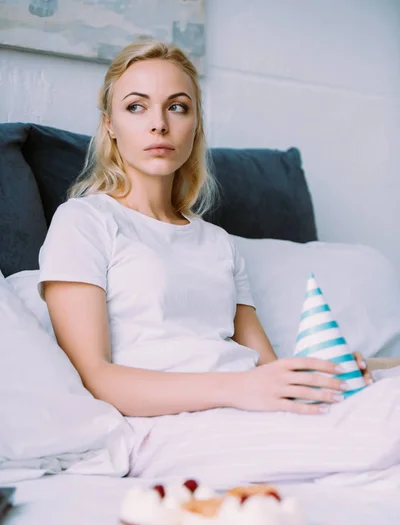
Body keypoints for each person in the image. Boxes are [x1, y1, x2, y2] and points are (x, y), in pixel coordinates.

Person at [38, 40, 372, 419]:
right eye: (136, 106)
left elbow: (264, 368)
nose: (159, 124)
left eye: (177, 107)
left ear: (195, 126)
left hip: (251, 408)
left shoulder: (218, 242)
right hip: (174, 422)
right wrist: (238, 388)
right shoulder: (84, 221)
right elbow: (94, 379)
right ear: (109, 125)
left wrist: (330, 373)